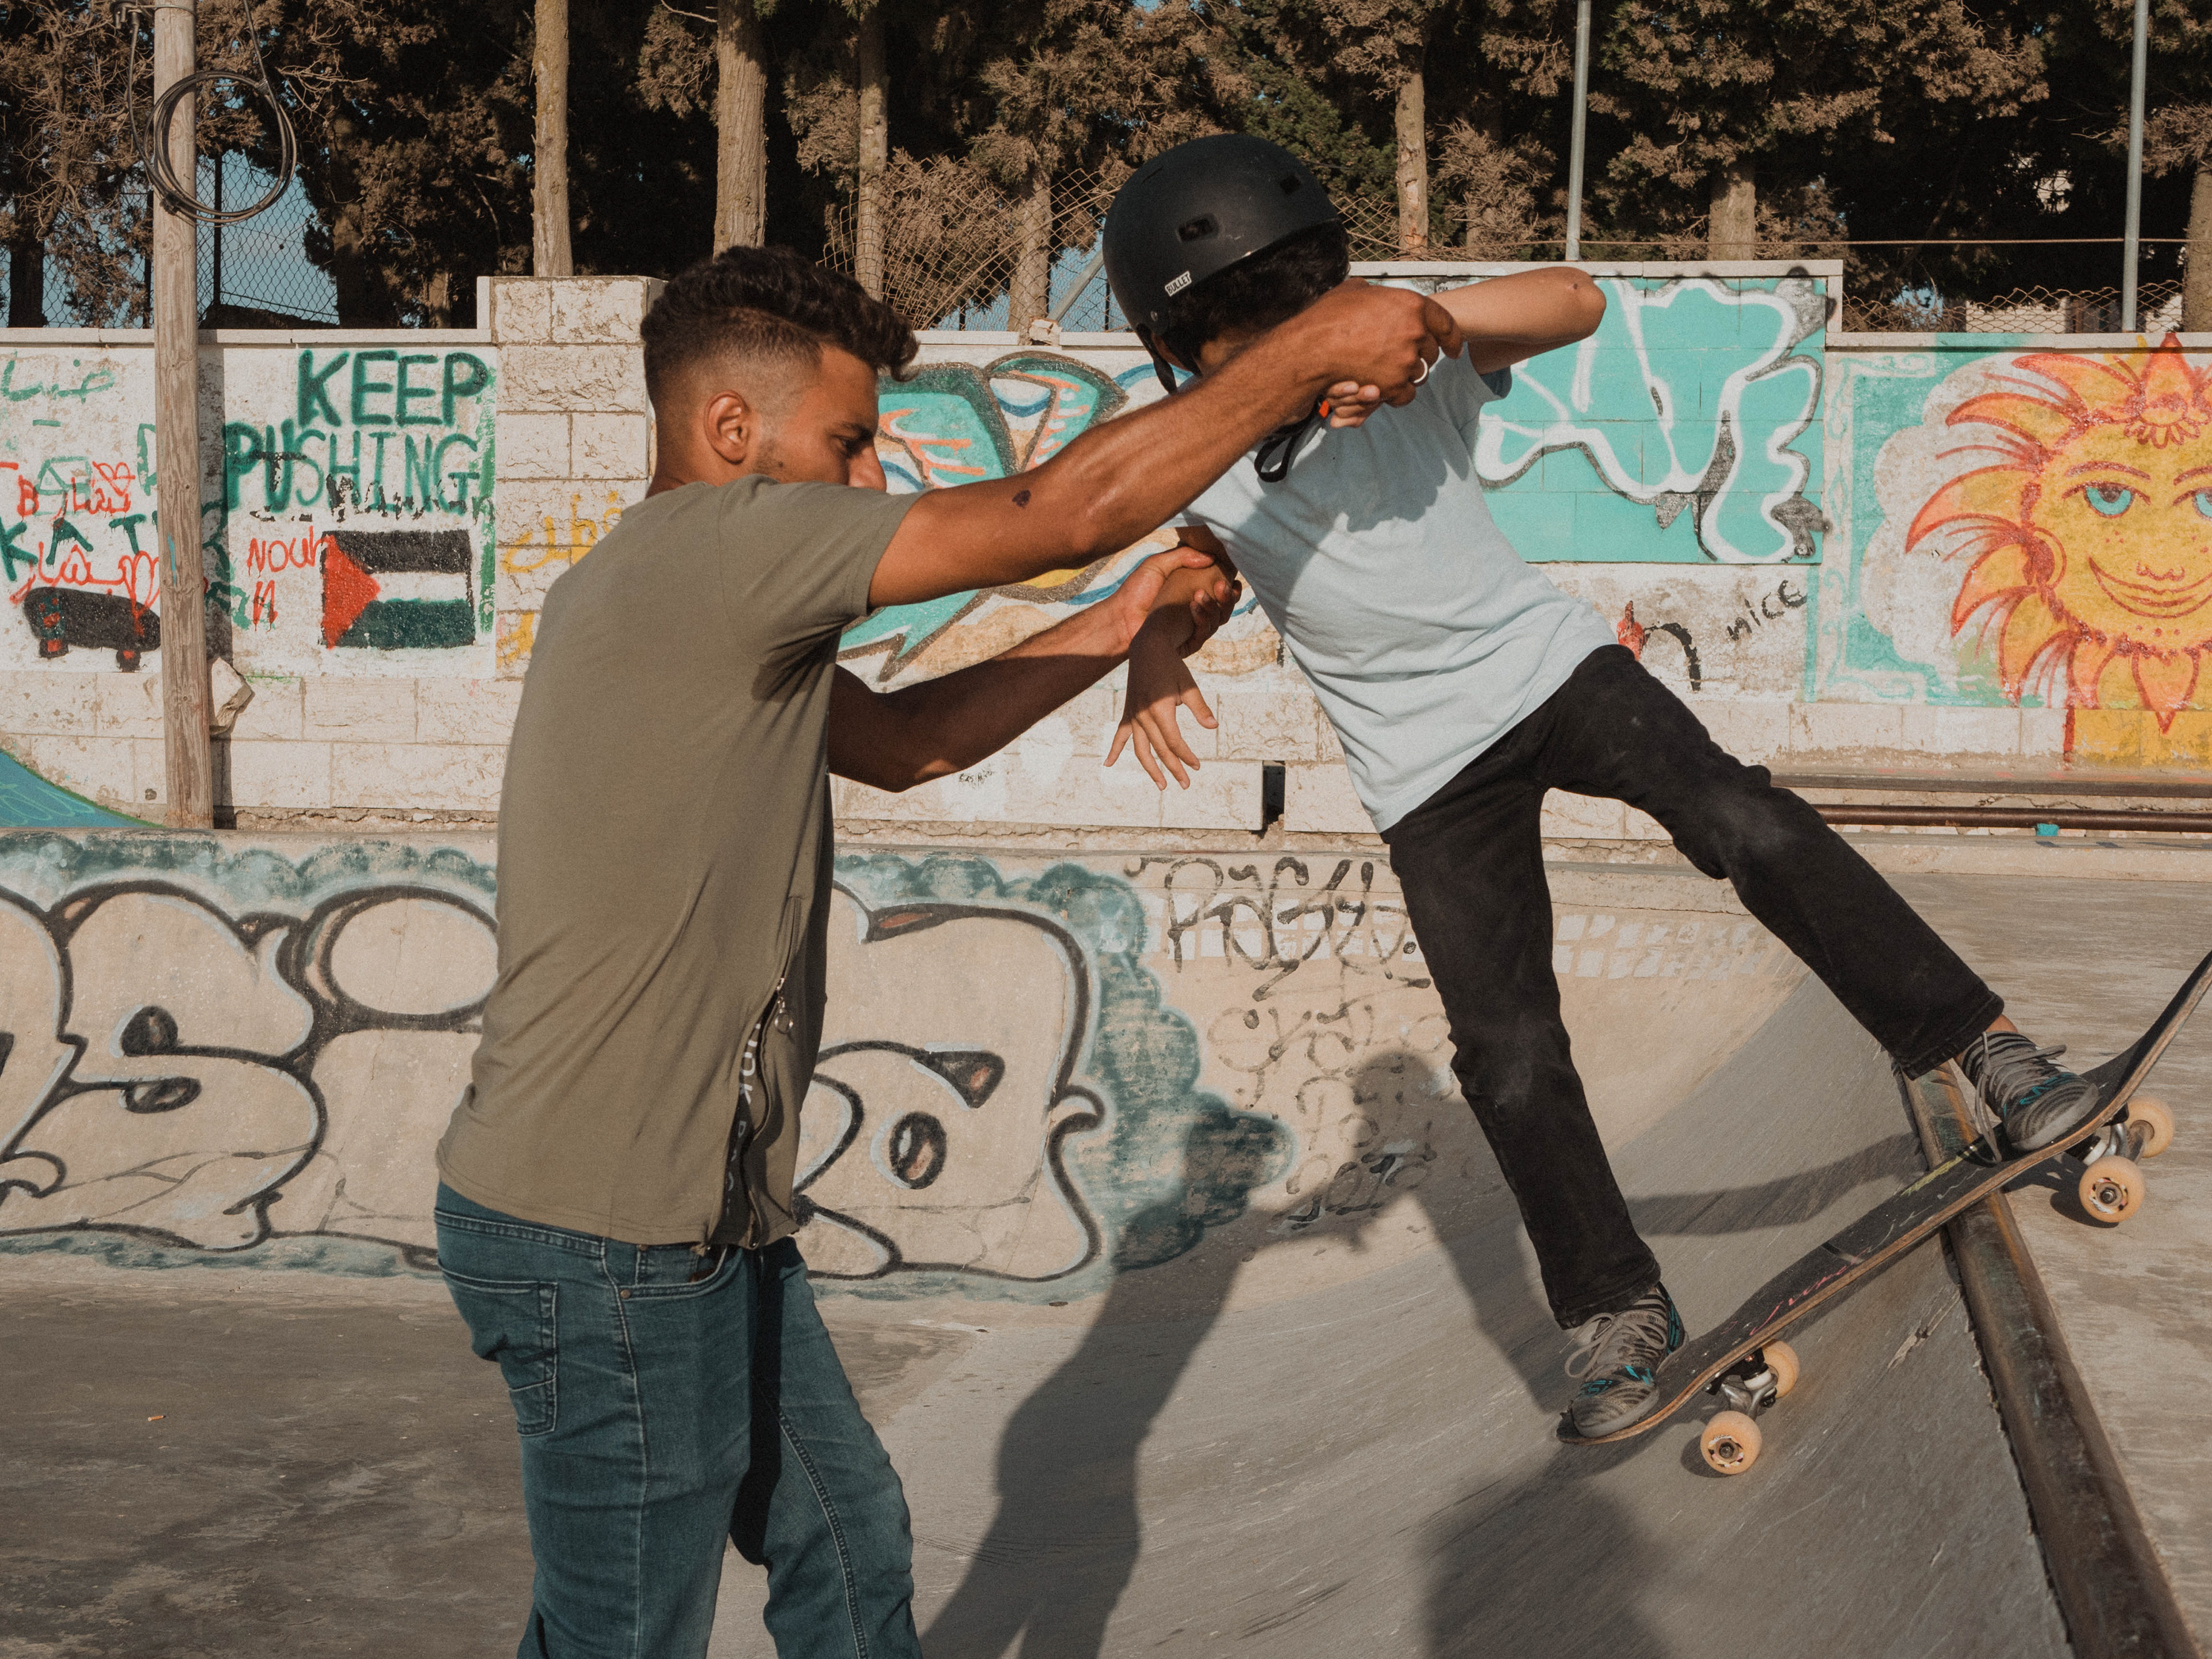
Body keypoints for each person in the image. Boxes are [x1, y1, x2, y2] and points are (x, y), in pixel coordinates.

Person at [430, 243, 1458, 1658]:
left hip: (709, 1215)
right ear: (729, 431)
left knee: (847, 1537)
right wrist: (1307, 349)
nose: (870, 483)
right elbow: (1060, 510)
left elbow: (911, 745)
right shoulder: (713, 546)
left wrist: (1119, 621)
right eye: (847, 444)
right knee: (626, 1631)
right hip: (607, 1232)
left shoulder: (698, 604)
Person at [1100, 133, 2106, 1440]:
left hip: (1557, 671)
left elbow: (1575, 299)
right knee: (1507, 1053)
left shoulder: (1408, 360)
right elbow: (1193, 571)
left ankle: (1986, 1051)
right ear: (1187, 357)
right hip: (1425, 775)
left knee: (1744, 820)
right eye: (1251, 353)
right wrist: (1154, 651)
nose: (1288, 367)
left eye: (1302, 331)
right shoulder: (1210, 456)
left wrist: (1424, 324)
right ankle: (1615, 1309)